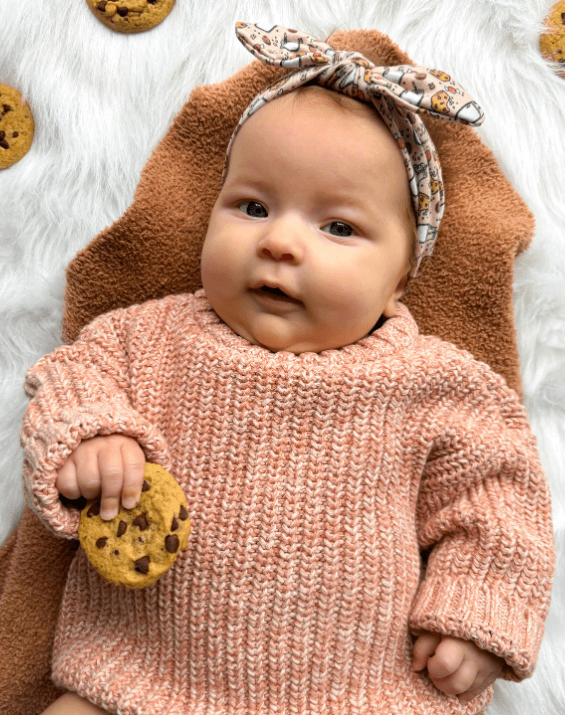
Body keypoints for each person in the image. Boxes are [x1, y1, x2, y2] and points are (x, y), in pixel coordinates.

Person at [22, 23, 554, 715]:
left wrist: (473, 616)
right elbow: (67, 379)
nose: (278, 241)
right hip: (135, 676)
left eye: (337, 227)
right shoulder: (143, 337)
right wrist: (92, 438)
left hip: (360, 694)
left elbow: (499, 508)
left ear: (401, 275)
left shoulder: (440, 387)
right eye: (251, 207)